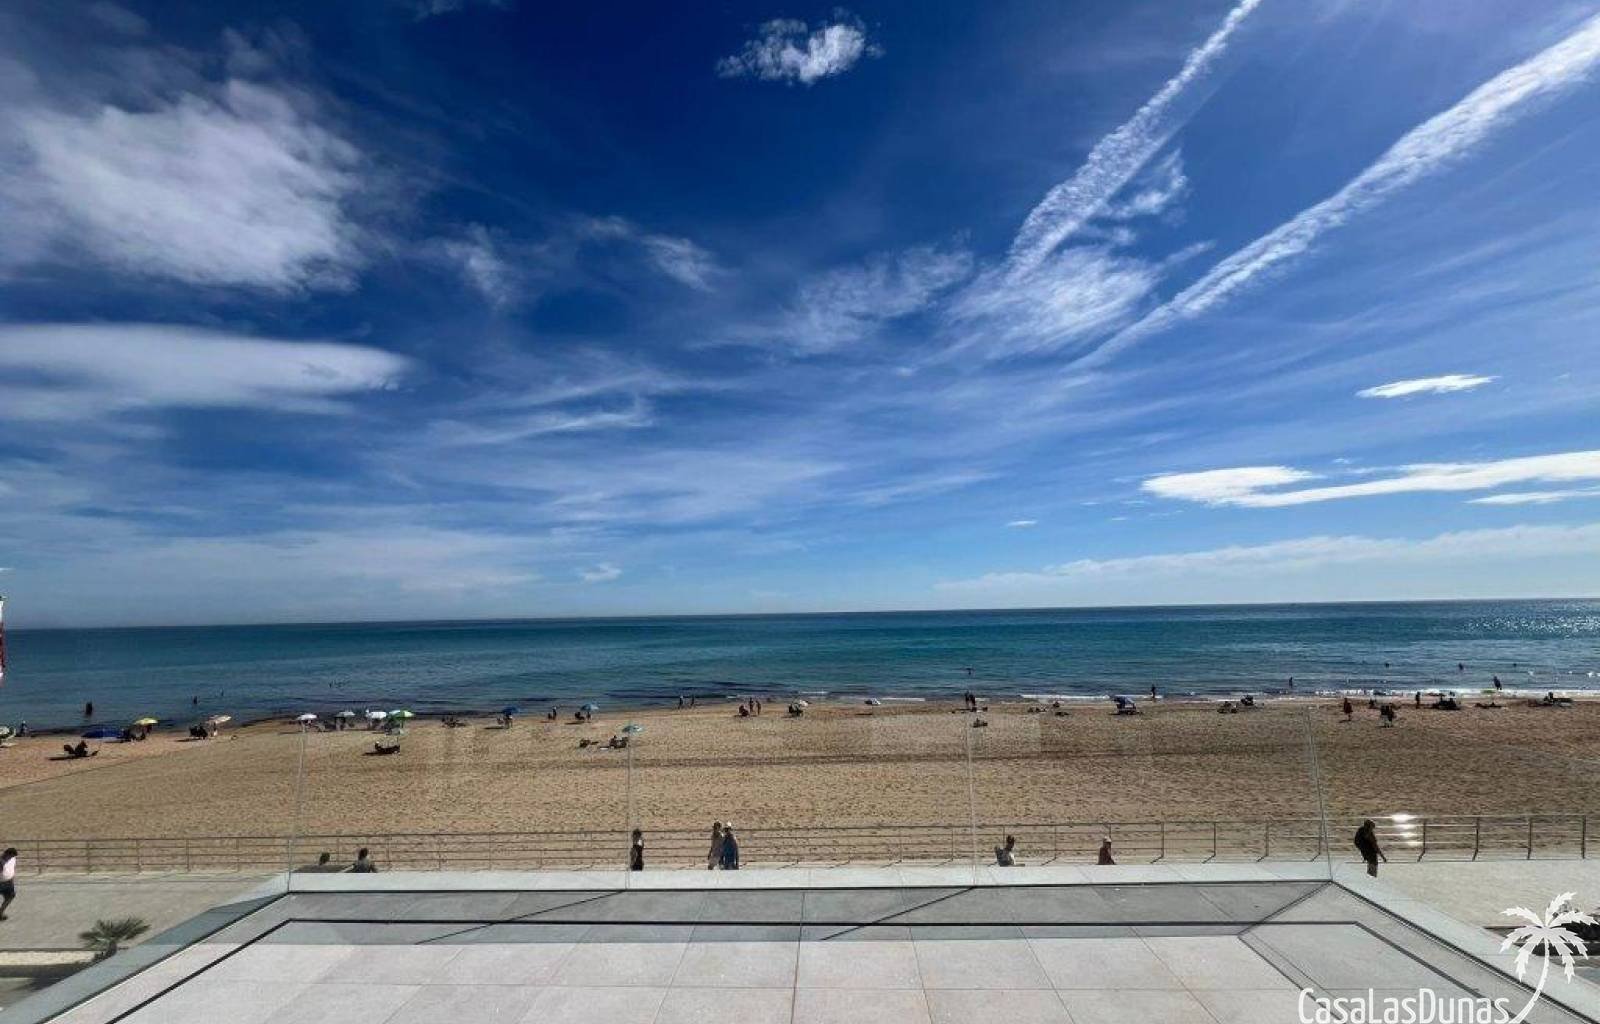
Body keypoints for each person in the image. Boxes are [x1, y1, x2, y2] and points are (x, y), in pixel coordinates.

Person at [0, 849, 15, 920]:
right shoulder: (1, 861)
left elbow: (11, 868)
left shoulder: (13, 859)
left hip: (9, 882)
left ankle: (0, 913)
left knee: (10, 896)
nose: (10, 858)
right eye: (9, 856)